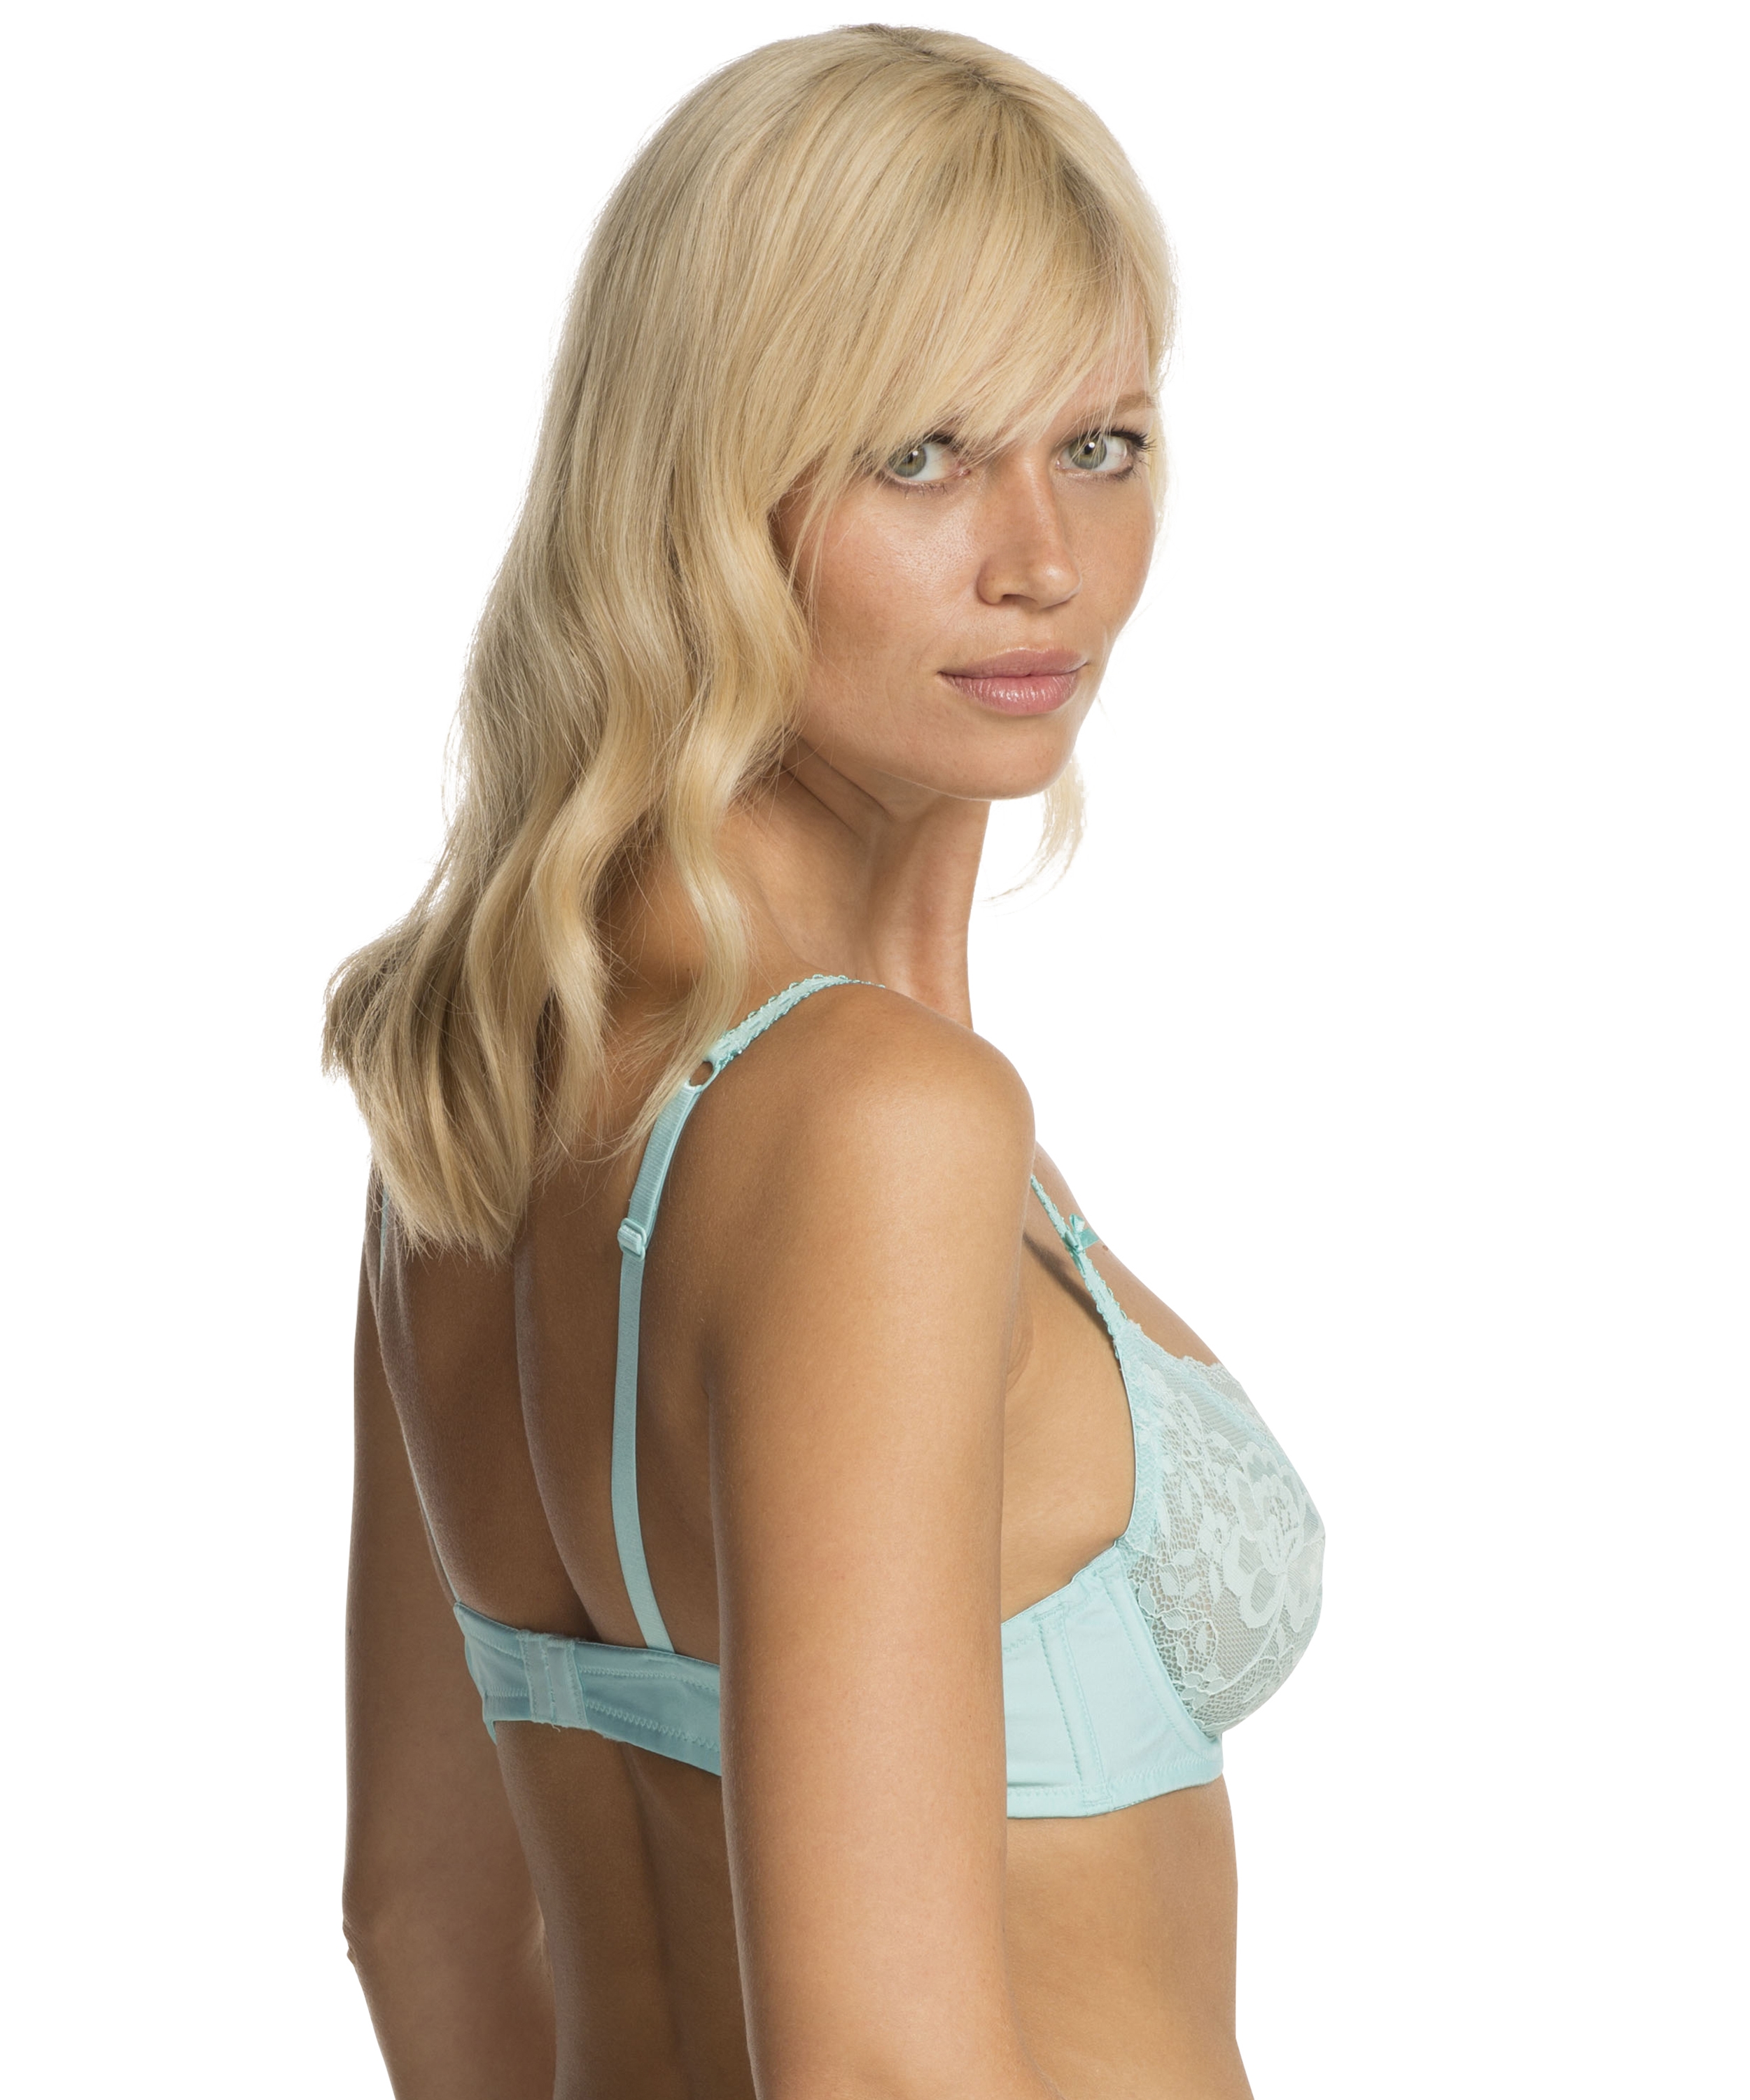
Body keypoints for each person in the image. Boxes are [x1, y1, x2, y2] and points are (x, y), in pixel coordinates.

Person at [326, 25, 1324, 2099]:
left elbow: (428, 1916)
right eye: (920, 455)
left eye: (1102, 444)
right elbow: (876, 2063)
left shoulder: (495, 1076)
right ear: (702, 483)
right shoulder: (880, 1127)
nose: (1043, 558)